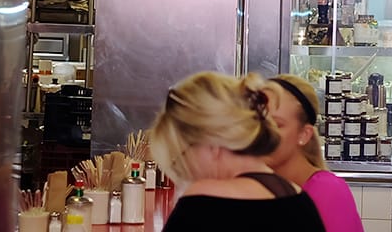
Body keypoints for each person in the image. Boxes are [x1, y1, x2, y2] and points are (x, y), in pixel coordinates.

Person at [150, 71, 326, 232]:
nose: (184, 166)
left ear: (212, 142)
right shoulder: (298, 198)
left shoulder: (205, 199)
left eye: (182, 153)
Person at [262, 75, 364, 232]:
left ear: (304, 134)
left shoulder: (327, 191)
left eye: (277, 124)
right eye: (258, 122)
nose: (262, 133)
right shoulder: (255, 186)